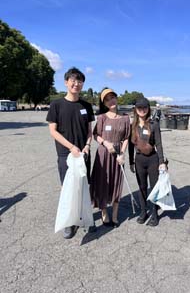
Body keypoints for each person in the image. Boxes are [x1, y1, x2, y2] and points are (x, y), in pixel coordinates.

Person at [46, 67, 95, 239]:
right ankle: (69, 223)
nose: (76, 84)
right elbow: (53, 131)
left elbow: (90, 131)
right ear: (66, 82)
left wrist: (87, 146)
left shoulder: (86, 106)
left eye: (80, 81)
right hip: (65, 155)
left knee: (83, 186)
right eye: (73, 80)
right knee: (67, 188)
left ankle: (84, 217)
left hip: (83, 153)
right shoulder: (57, 105)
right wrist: (71, 147)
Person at [90, 88, 130, 227]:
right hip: (104, 153)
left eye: (112, 97)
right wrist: (105, 143)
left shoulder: (125, 118)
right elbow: (95, 134)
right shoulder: (102, 118)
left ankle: (114, 214)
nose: (111, 101)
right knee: (103, 182)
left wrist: (122, 154)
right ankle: (104, 212)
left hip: (118, 154)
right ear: (104, 103)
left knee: (116, 182)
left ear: (116, 98)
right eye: (107, 99)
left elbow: (126, 137)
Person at [128, 97, 167, 227]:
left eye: (145, 107)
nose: (142, 110)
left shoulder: (153, 124)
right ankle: (144, 212)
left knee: (154, 188)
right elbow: (129, 146)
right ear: (136, 109)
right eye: (140, 108)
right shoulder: (132, 126)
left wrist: (161, 161)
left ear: (148, 109)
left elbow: (159, 144)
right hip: (139, 160)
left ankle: (155, 214)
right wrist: (131, 162)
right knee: (142, 188)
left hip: (152, 160)